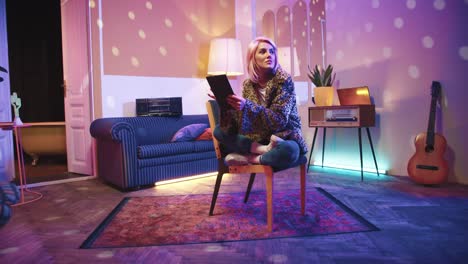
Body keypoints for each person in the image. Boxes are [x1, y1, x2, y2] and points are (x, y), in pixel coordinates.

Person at [211, 36, 308, 170]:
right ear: (253, 58)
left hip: (284, 136)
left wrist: (247, 106)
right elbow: (244, 124)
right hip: (259, 138)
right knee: (218, 130)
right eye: (263, 51)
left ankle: (251, 158)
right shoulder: (248, 85)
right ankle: (264, 150)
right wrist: (226, 104)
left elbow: (279, 120)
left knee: (290, 151)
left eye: (272, 51)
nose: (269, 55)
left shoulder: (284, 81)